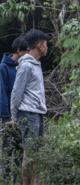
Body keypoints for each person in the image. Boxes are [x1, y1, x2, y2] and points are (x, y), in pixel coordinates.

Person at [10, 29, 49, 185]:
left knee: (36, 154)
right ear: (39, 45)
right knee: (30, 153)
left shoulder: (36, 64)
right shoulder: (26, 66)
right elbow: (16, 93)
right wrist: (13, 117)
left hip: (37, 113)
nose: (47, 47)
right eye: (45, 44)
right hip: (28, 113)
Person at [0, 35, 27, 183]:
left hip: (21, 114)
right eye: (25, 51)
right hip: (8, 117)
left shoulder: (21, 66)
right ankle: (5, 179)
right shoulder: (4, 67)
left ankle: (16, 180)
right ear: (18, 50)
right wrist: (6, 117)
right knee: (7, 148)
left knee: (19, 149)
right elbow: (2, 93)